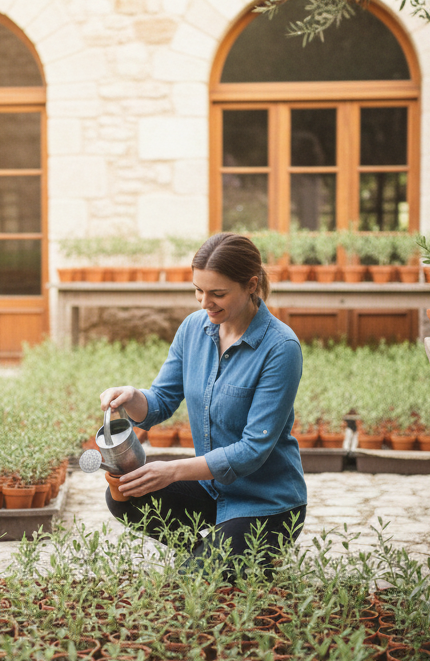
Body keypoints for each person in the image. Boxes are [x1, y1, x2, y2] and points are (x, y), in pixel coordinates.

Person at [100, 232, 307, 579]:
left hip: (267, 503)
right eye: (198, 290)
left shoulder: (280, 347)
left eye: (217, 293)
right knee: (125, 496)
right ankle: (214, 557)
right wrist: (131, 396)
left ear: (251, 285)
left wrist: (174, 469)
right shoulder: (194, 329)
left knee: (196, 582)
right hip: (214, 488)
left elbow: (254, 449)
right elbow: (160, 402)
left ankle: (222, 559)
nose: (204, 302)